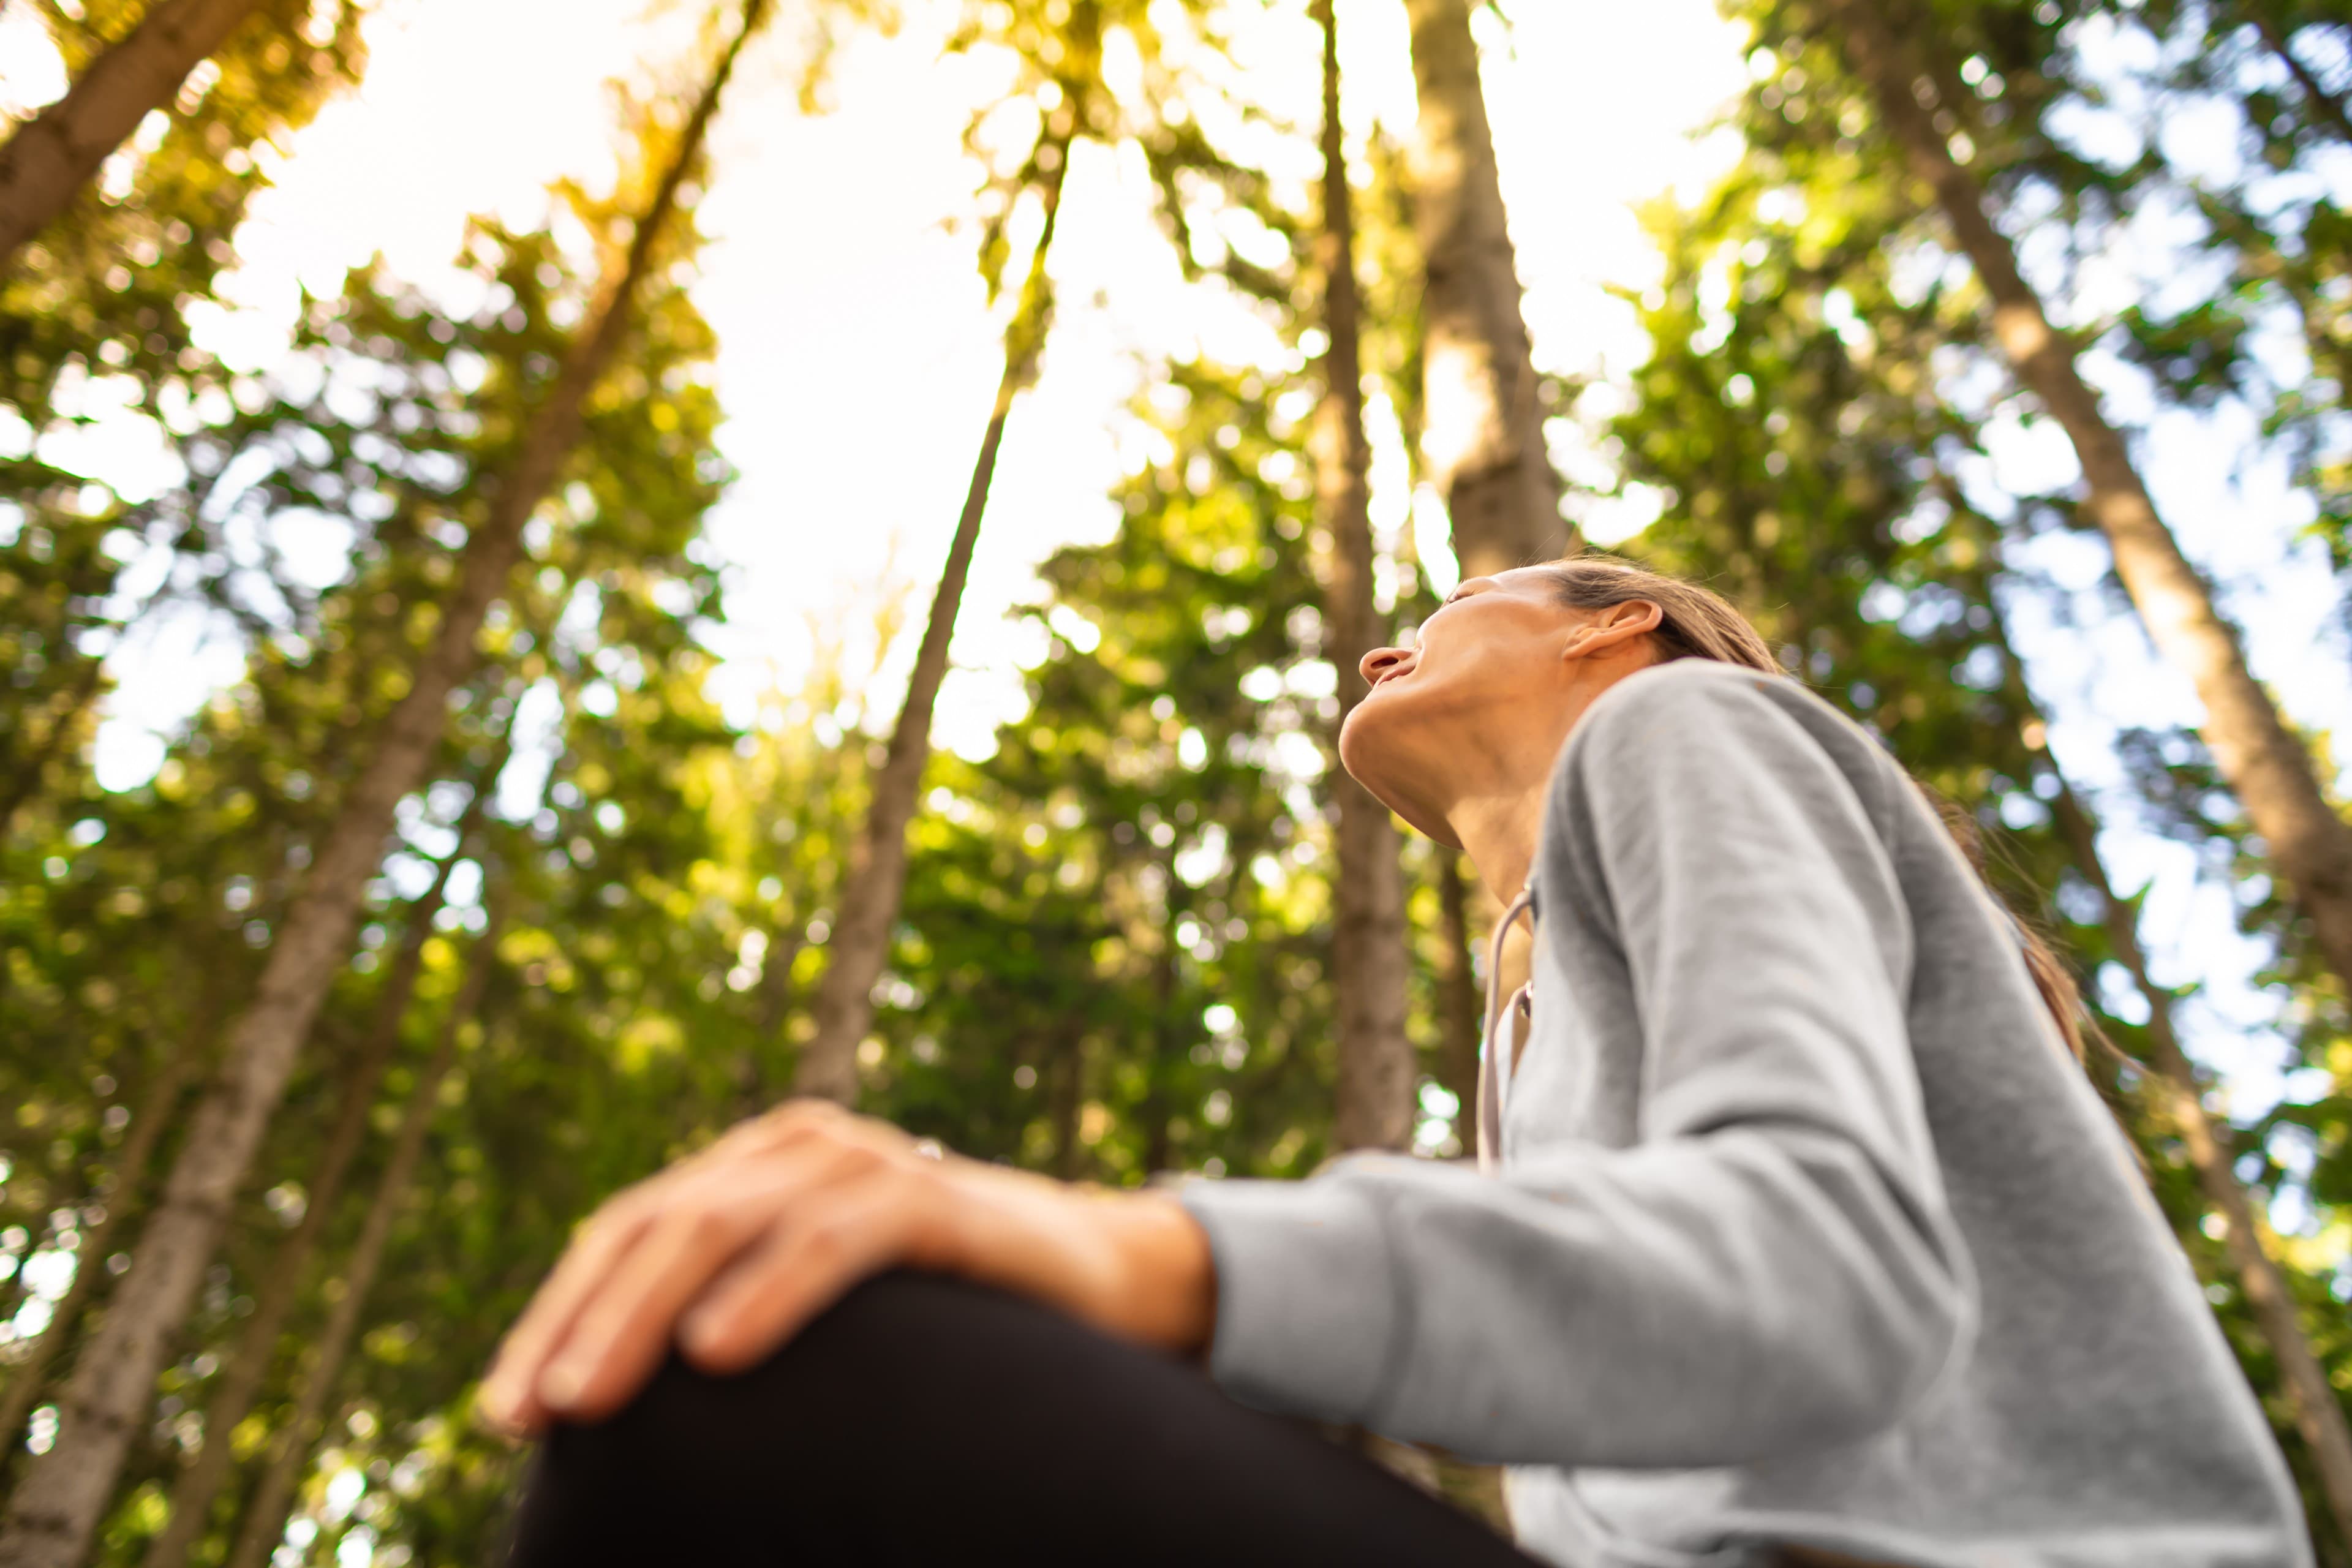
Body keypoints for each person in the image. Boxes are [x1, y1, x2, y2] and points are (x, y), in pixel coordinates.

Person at [481, 557, 2310, 1568]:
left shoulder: (1685, 722)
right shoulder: (1527, 1014)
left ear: (1618, 625)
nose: (1381, 638)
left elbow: (1827, 1279)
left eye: (1449, 611)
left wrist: (1122, 1249)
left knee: (773, 1380)